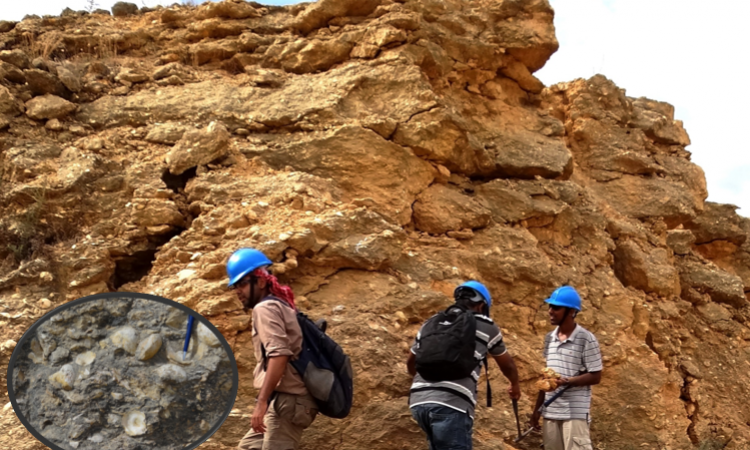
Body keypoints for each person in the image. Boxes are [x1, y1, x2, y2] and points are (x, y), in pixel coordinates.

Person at [406, 281, 521, 450]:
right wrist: (515, 384)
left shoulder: (431, 322)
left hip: (419, 403)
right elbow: (507, 365)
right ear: (481, 305)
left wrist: (428, 386)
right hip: (452, 404)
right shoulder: (485, 324)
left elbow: (411, 362)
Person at [229, 248, 318, 450]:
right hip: (282, 399)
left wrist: (261, 402)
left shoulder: (265, 308)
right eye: (235, 285)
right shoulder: (279, 305)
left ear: (260, 281)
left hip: (290, 400)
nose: (238, 291)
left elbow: (279, 354)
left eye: (243, 283)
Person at [529, 285, 603, 450]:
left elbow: (596, 376)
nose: (550, 311)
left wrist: (567, 381)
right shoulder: (550, 338)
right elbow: (546, 380)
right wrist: (537, 410)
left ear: (571, 312)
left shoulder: (586, 339)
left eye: (556, 307)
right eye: (550, 306)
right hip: (551, 413)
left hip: (574, 415)